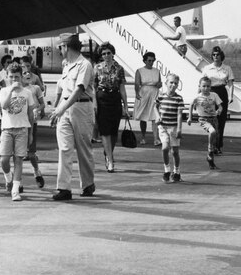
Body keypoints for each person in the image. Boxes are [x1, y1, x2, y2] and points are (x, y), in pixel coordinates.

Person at [50, 33, 96, 201]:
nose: (59, 50)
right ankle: (64, 188)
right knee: (64, 148)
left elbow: (79, 89)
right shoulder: (66, 65)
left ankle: (88, 183)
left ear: (66, 47)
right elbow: (62, 88)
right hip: (65, 108)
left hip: (81, 107)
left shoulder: (85, 64)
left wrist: (60, 109)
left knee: (83, 149)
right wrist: (57, 107)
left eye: (60, 47)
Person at [0, 65, 36, 201]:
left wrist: (30, 133)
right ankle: (8, 177)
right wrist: (12, 89)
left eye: (17, 77)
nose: (14, 79)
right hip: (7, 129)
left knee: (18, 159)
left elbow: (30, 114)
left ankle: (15, 189)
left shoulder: (27, 93)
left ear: (21, 77)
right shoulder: (3, 91)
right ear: (7, 77)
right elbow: (4, 106)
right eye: (11, 77)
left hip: (22, 129)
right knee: (4, 159)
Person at [94, 42, 127, 173]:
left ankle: (108, 152)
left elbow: (122, 88)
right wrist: (94, 103)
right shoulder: (97, 68)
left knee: (113, 131)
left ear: (112, 53)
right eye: (103, 54)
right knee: (105, 130)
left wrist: (125, 106)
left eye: (108, 53)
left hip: (115, 99)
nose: (106, 55)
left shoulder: (119, 68)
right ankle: (110, 159)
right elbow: (93, 87)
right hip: (102, 98)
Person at [201, 46, 234, 155]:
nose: (215, 56)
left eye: (218, 54)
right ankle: (212, 145)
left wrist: (231, 96)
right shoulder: (207, 68)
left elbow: (230, 84)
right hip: (210, 93)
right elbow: (202, 83)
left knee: (221, 121)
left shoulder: (227, 68)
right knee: (211, 120)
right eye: (214, 54)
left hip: (222, 92)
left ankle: (218, 146)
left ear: (221, 56)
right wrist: (199, 96)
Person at [188, 76, 223, 170]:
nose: (206, 88)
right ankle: (209, 149)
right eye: (203, 86)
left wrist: (219, 110)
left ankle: (211, 160)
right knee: (212, 132)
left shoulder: (214, 95)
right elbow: (191, 105)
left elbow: (220, 106)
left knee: (216, 139)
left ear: (210, 87)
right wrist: (190, 117)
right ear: (199, 86)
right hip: (204, 119)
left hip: (214, 119)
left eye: (208, 86)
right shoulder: (197, 97)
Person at [155, 74, 184, 183]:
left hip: (173, 127)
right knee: (165, 147)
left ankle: (176, 171)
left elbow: (180, 114)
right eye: (171, 82)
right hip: (163, 126)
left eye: (175, 83)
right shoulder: (161, 96)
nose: (173, 85)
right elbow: (155, 106)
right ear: (166, 83)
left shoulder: (178, 98)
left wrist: (179, 129)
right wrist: (157, 115)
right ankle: (167, 170)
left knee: (175, 152)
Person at [132, 52, 163, 146]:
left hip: (154, 93)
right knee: (143, 116)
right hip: (144, 93)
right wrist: (137, 93)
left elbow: (160, 83)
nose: (151, 62)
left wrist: (159, 85)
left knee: (155, 116)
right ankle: (143, 137)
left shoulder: (157, 71)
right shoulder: (140, 70)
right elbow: (137, 83)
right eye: (149, 60)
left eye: (153, 60)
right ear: (145, 61)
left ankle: (156, 138)